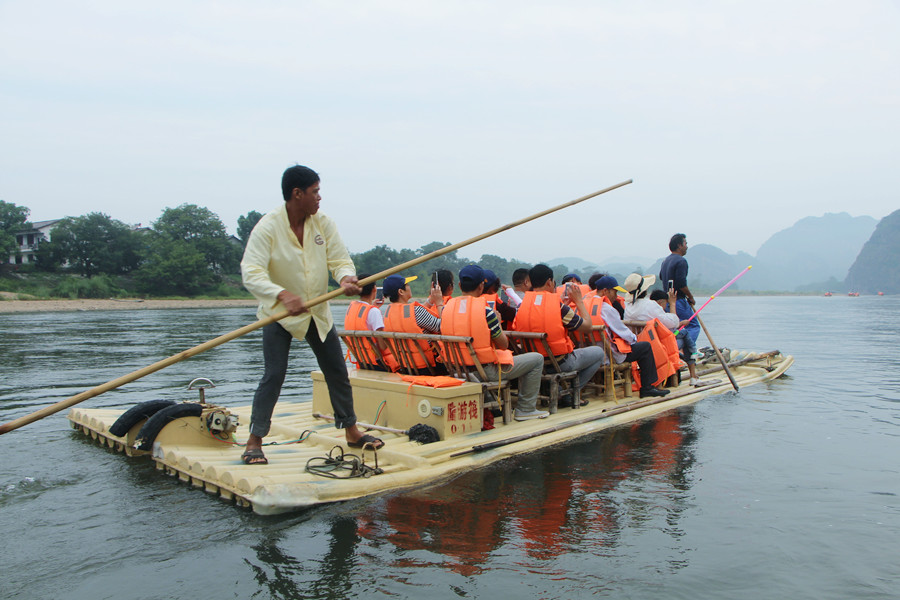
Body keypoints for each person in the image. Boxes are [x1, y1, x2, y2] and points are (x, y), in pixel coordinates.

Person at [240, 165, 380, 464]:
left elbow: (340, 259)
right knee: (274, 375)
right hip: (279, 314)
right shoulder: (268, 227)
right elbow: (250, 273)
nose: (320, 197)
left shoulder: (323, 223)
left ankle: (352, 432)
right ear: (297, 193)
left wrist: (345, 278)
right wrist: (282, 295)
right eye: (315, 191)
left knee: (337, 372)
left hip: (317, 310)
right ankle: (254, 440)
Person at [441, 265, 548, 421]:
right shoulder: (487, 312)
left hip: (457, 369)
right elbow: (503, 344)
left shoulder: (446, 309)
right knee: (537, 359)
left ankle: (495, 403)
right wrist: (497, 323)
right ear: (481, 286)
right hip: (485, 372)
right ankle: (525, 409)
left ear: (459, 286)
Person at [513, 264, 606, 397]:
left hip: (534, 362)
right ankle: (570, 393)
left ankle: (562, 391)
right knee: (598, 352)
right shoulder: (558, 307)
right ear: (549, 282)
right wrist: (579, 301)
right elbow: (587, 327)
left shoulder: (522, 305)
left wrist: (564, 305)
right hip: (560, 363)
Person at [590, 275, 670, 398]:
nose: (616, 296)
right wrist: (635, 339)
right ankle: (647, 387)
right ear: (606, 291)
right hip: (610, 355)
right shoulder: (606, 309)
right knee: (645, 347)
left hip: (593, 353)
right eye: (615, 292)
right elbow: (623, 332)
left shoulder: (586, 305)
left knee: (638, 345)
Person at [625, 273, 705, 384]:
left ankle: (690, 366)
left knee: (683, 335)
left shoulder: (628, 307)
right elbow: (673, 322)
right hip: (656, 345)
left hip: (638, 344)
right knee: (685, 336)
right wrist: (672, 304)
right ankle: (693, 376)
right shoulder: (650, 305)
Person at [659, 233, 705, 385]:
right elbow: (681, 282)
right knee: (692, 325)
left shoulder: (665, 261)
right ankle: (683, 349)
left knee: (674, 328)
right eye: (685, 243)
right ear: (679, 245)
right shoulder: (681, 260)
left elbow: (661, 277)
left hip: (668, 301)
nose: (686, 246)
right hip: (678, 300)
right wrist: (690, 297)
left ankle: (678, 348)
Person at [383, 273, 444, 371]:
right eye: (407, 285)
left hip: (406, 366)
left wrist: (431, 300)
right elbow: (443, 327)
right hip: (428, 366)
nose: (409, 287)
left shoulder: (388, 313)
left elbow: (414, 315)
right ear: (401, 292)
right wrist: (439, 303)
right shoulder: (416, 311)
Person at [343, 273, 398, 371]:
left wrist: (373, 307)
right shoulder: (373, 312)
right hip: (378, 364)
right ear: (374, 289)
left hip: (362, 360)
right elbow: (383, 346)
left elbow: (363, 319)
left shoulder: (352, 307)